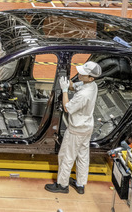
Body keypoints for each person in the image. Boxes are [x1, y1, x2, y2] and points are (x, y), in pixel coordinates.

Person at [45, 61, 101, 195]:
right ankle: (80, 184)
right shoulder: (92, 85)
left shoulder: (84, 95)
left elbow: (67, 107)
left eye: (83, 73)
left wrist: (64, 90)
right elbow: (75, 86)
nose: (80, 74)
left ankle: (62, 185)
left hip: (76, 130)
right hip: (86, 127)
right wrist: (67, 83)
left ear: (91, 77)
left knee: (66, 156)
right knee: (82, 156)